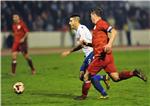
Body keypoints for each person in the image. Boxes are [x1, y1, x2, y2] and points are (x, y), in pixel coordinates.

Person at [82, 7, 147, 97]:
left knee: (86, 75)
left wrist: (109, 44)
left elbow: (114, 31)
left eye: (90, 16)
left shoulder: (101, 23)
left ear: (94, 15)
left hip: (101, 56)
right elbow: (97, 44)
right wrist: (87, 44)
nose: (90, 18)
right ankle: (134, 73)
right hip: (107, 56)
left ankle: (83, 96)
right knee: (116, 77)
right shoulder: (96, 26)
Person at [62, 15, 110, 100]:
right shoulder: (78, 31)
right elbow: (82, 45)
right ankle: (103, 77)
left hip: (92, 53)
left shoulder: (81, 29)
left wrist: (79, 43)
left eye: (71, 21)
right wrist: (69, 51)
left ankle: (95, 95)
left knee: (87, 76)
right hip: (88, 55)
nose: (69, 23)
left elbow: (83, 42)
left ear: (76, 21)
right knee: (82, 75)